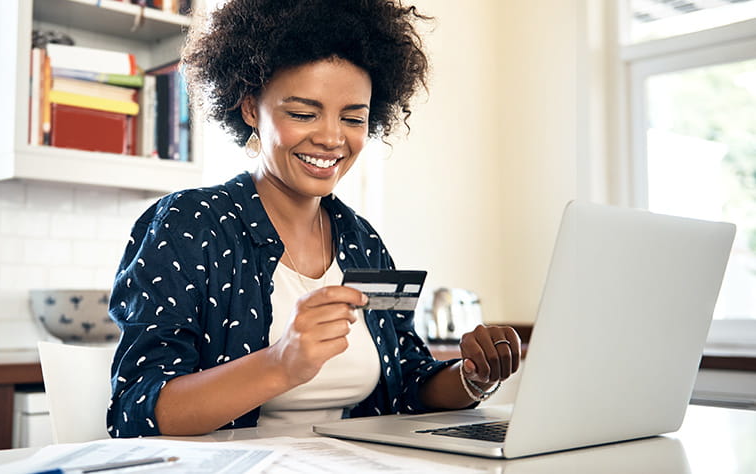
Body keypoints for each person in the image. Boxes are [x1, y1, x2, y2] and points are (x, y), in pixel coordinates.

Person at [107, 0, 521, 438]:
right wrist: (280, 363)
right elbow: (137, 411)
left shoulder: (363, 241)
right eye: (303, 114)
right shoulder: (191, 224)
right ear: (250, 108)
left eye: (353, 118)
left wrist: (472, 377)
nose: (330, 137)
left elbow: (405, 381)